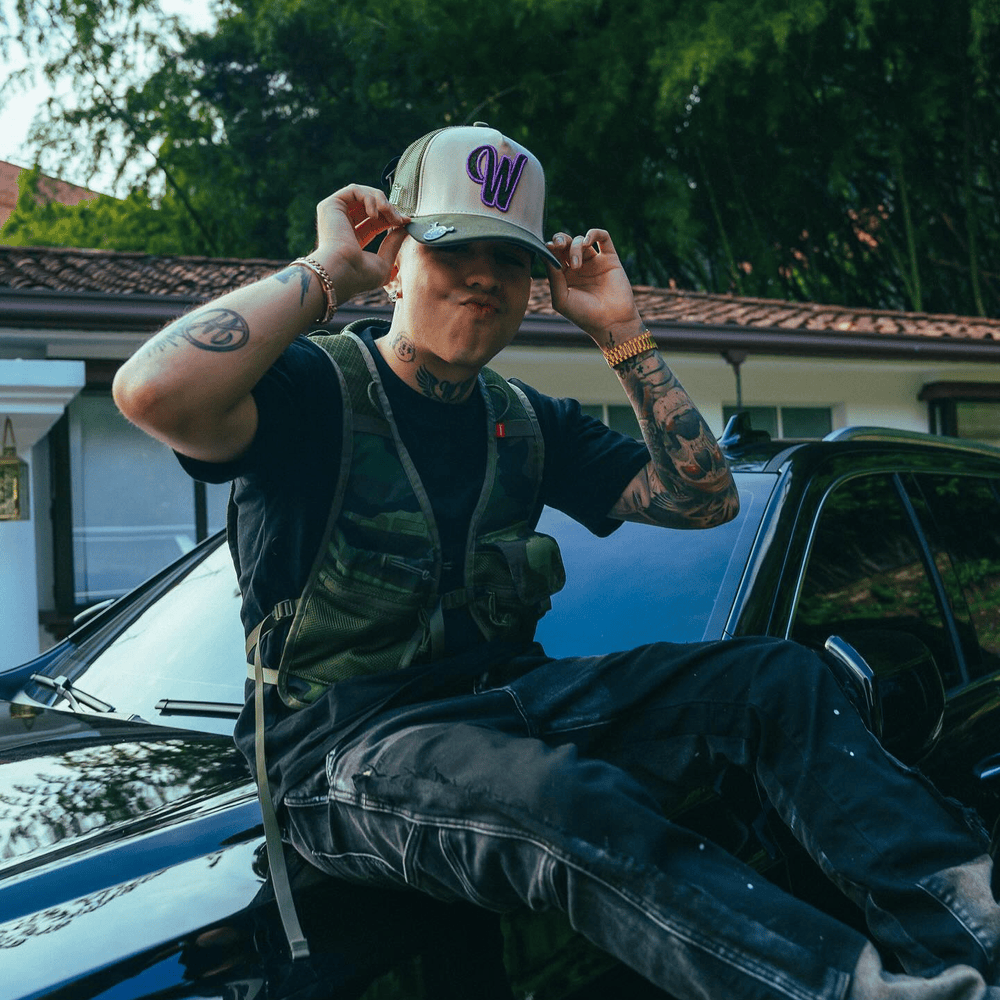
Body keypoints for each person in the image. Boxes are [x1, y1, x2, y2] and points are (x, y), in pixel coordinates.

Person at [114, 123, 1000, 1000]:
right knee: (561, 798)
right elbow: (151, 391)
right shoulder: (314, 389)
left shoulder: (526, 421)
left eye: (510, 259)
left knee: (777, 679)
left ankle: (972, 943)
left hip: (509, 707)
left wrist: (620, 331)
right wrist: (325, 272)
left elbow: (705, 500)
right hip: (340, 752)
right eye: (453, 247)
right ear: (394, 260)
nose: (483, 277)